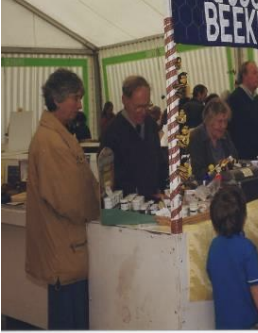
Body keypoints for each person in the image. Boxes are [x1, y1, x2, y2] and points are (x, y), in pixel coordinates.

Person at [25, 69, 100, 330]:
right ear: (57, 99)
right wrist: (95, 207)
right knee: (69, 321)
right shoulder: (51, 142)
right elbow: (68, 200)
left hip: (68, 249)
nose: (80, 105)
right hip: (64, 251)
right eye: (75, 98)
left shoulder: (59, 135)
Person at [207, 185, 258, 329]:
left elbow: (212, 275)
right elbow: (255, 288)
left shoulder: (214, 246)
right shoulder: (247, 248)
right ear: (243, 216)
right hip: (247, 322)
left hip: (223, 323)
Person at [100, 75, 166, 198]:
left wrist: (161, 188)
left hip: (155, 200)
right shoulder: (112, 132)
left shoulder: (150, 124)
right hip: (128, 205)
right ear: (124, 100)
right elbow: (108, 178)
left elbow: (159, 160)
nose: (143, 111)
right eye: (138, 107)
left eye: (146, 105)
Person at [188, 98, 238, 182]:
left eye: (225, 121)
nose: (223, 126)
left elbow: (234, 159)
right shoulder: (196, 137)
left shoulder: (225, 135)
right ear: (208, 120)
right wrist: (217, 170)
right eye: (220, 121)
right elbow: (199, 176)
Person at [227, 61, 258, 159]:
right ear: (244, 75)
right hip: (243, 156)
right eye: (254, 73)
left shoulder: (255, 98)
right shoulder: (235, 99)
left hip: (257, 154)